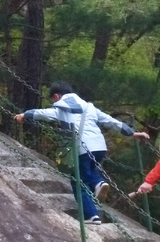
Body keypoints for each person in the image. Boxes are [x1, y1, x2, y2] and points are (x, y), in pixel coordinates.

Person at [14, 83, 150, 224]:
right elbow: (109, 120)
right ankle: (98, 186)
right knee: (89, 171)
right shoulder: (89, 107)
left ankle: (91, 214)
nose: (54, 103)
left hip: (82, 148)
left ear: (56, 96)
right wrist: (131, 132)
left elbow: (43, 114)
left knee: (78, 181)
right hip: (100, 147)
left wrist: (25, 115)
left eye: (53, 100)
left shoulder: (61, 107)